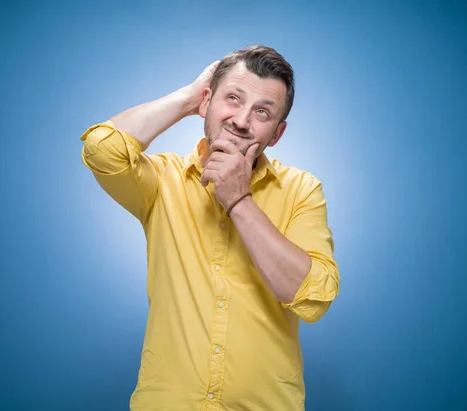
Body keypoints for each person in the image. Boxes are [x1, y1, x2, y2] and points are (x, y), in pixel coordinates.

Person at [79, 45, 340, 411]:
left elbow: (314, 298)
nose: (241, 120)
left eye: (261, 112)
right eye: (232, 99)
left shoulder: (302, 190)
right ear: (208, 103)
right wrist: (188, 98)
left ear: (277, 134)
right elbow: (100, 149)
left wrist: (239, 201)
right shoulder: (162, 181)